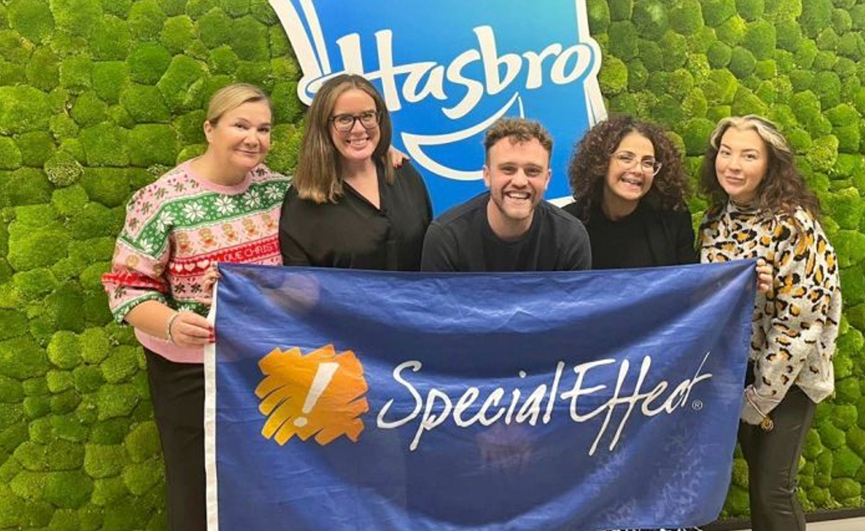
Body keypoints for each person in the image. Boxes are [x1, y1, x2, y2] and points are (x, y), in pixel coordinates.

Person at [101, 83, 288, 531]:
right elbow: (125, 287)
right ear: (210, 128)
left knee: (271, 482)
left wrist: (385, 164)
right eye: (240, 125)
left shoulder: (279, 191)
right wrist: (170, 323)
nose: (253, 138)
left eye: (263, 129)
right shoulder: (162, 199)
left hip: (264, 364)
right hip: (190, 371)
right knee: (197, 488)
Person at [699, 114, 841, 531]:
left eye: (748, 155)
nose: (733, 164)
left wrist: (761, 396)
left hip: (788, 377)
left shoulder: (794, 225)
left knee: (773, 489)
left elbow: (803, 320)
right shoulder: (713, 222)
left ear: (770, 164)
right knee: (758, 485)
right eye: (726, 153)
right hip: (735, 371)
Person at [279, 74, 432, 270]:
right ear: (323, 126)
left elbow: (428, 256)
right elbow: (302, 288)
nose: (359, 129)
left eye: (367, 116)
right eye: (344, 119)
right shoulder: (302, 202)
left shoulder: (404, 174)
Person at [421, 118, 591, 272]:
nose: (520, 181)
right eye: (508, 169)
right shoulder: (447, 238)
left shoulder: (570, 238)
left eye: (532, 171)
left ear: (546, 179)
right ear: (487, 175)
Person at [564, 115, 695, 268]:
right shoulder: (568, 225)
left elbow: (690, 285)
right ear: (601, 162)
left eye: (647, 162)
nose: (637, 170)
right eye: (626, 158)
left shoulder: (674, 218)